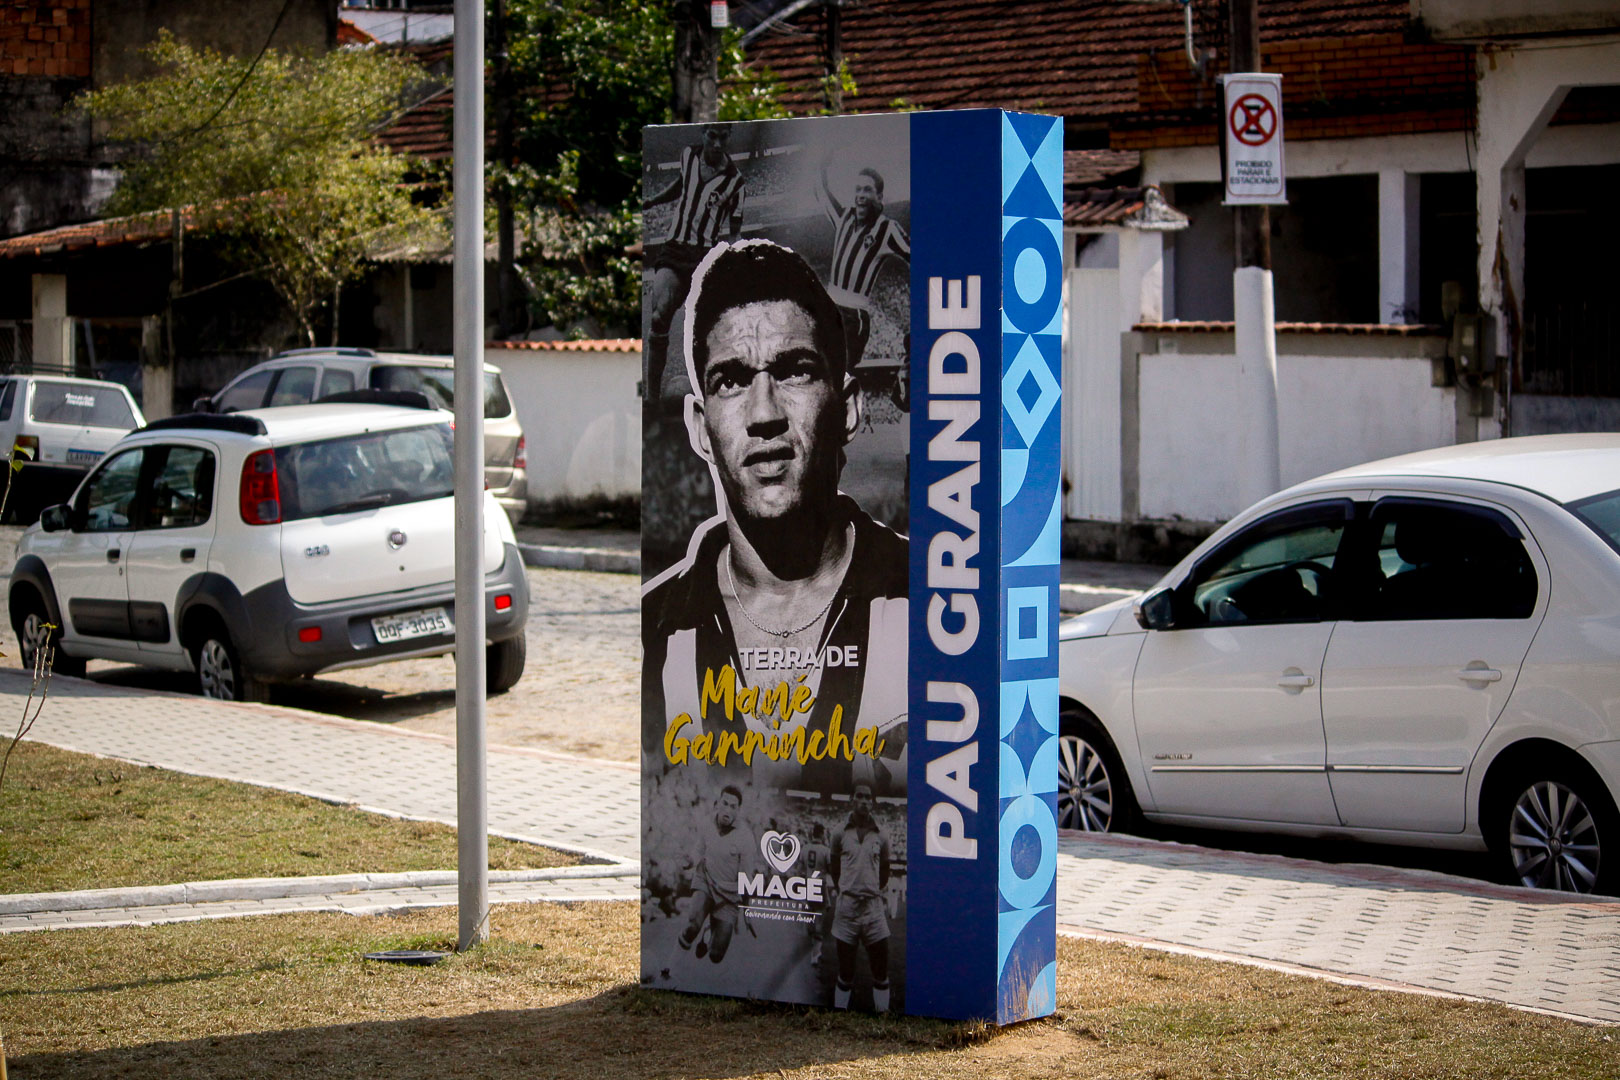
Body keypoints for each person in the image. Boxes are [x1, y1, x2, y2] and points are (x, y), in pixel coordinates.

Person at [641, 239, 908, 795]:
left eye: (795, 372)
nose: (764, 414)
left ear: (850, 408)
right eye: (731, 381)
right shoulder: (656, 628)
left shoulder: (930, 602)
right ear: (699, 427)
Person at [644, 125, 747, 402]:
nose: (716, 143)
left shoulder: (736, 182)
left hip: (704, 258)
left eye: (722, 137)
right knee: (658, 316)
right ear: (703, 133)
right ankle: (652, 397)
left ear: (729, 137)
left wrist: (734, 261)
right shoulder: (688, 155)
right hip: (675, 248)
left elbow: (735, 231)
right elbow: (682, 184)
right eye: (711, 135)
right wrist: (654, 199)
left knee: (708, 331)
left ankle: (709, 396)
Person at [818, 159, 910, 370]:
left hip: (853, 316)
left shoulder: (888, 229)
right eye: (858, 189)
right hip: (828, 309)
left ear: (879, 197)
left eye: (867, 190)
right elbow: (821, 192)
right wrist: (822, 164)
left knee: (838, 378)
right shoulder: (844, 217)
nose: (860, 195)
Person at [829, 783, 893, 1011]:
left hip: (873, 909)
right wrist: (848, 889)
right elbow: (834, 868)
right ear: (851, 799)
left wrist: (870, 889)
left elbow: (884, 871)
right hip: (846, 909)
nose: (864, 801)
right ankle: (839, 1014)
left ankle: (882, 1016)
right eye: (860, 796)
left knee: (880, 968)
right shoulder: (838, 832)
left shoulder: (882, 835)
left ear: (872, 802)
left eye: (868, 797)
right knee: (845, 971)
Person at [678, 784, 754, 963]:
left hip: (729, 895)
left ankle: (708, 933)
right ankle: (669, 970)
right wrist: (689, 861)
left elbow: (746, 877)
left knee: (716, 956)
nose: (727, 810)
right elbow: (699, 850)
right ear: (718, 803)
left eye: (733, 807)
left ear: (738, 811)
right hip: (706, 880)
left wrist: (747, 911)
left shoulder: (746, 838)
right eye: (725, 804)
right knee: (691, 927)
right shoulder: (706, 823)